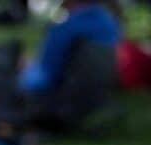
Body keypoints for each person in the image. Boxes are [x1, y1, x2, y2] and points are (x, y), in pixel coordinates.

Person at [17, 0, 122, 134]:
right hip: (93, 102)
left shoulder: (66, 28)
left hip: (53, 107)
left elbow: (42, 80)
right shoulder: (108, 24)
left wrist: (22, 73)